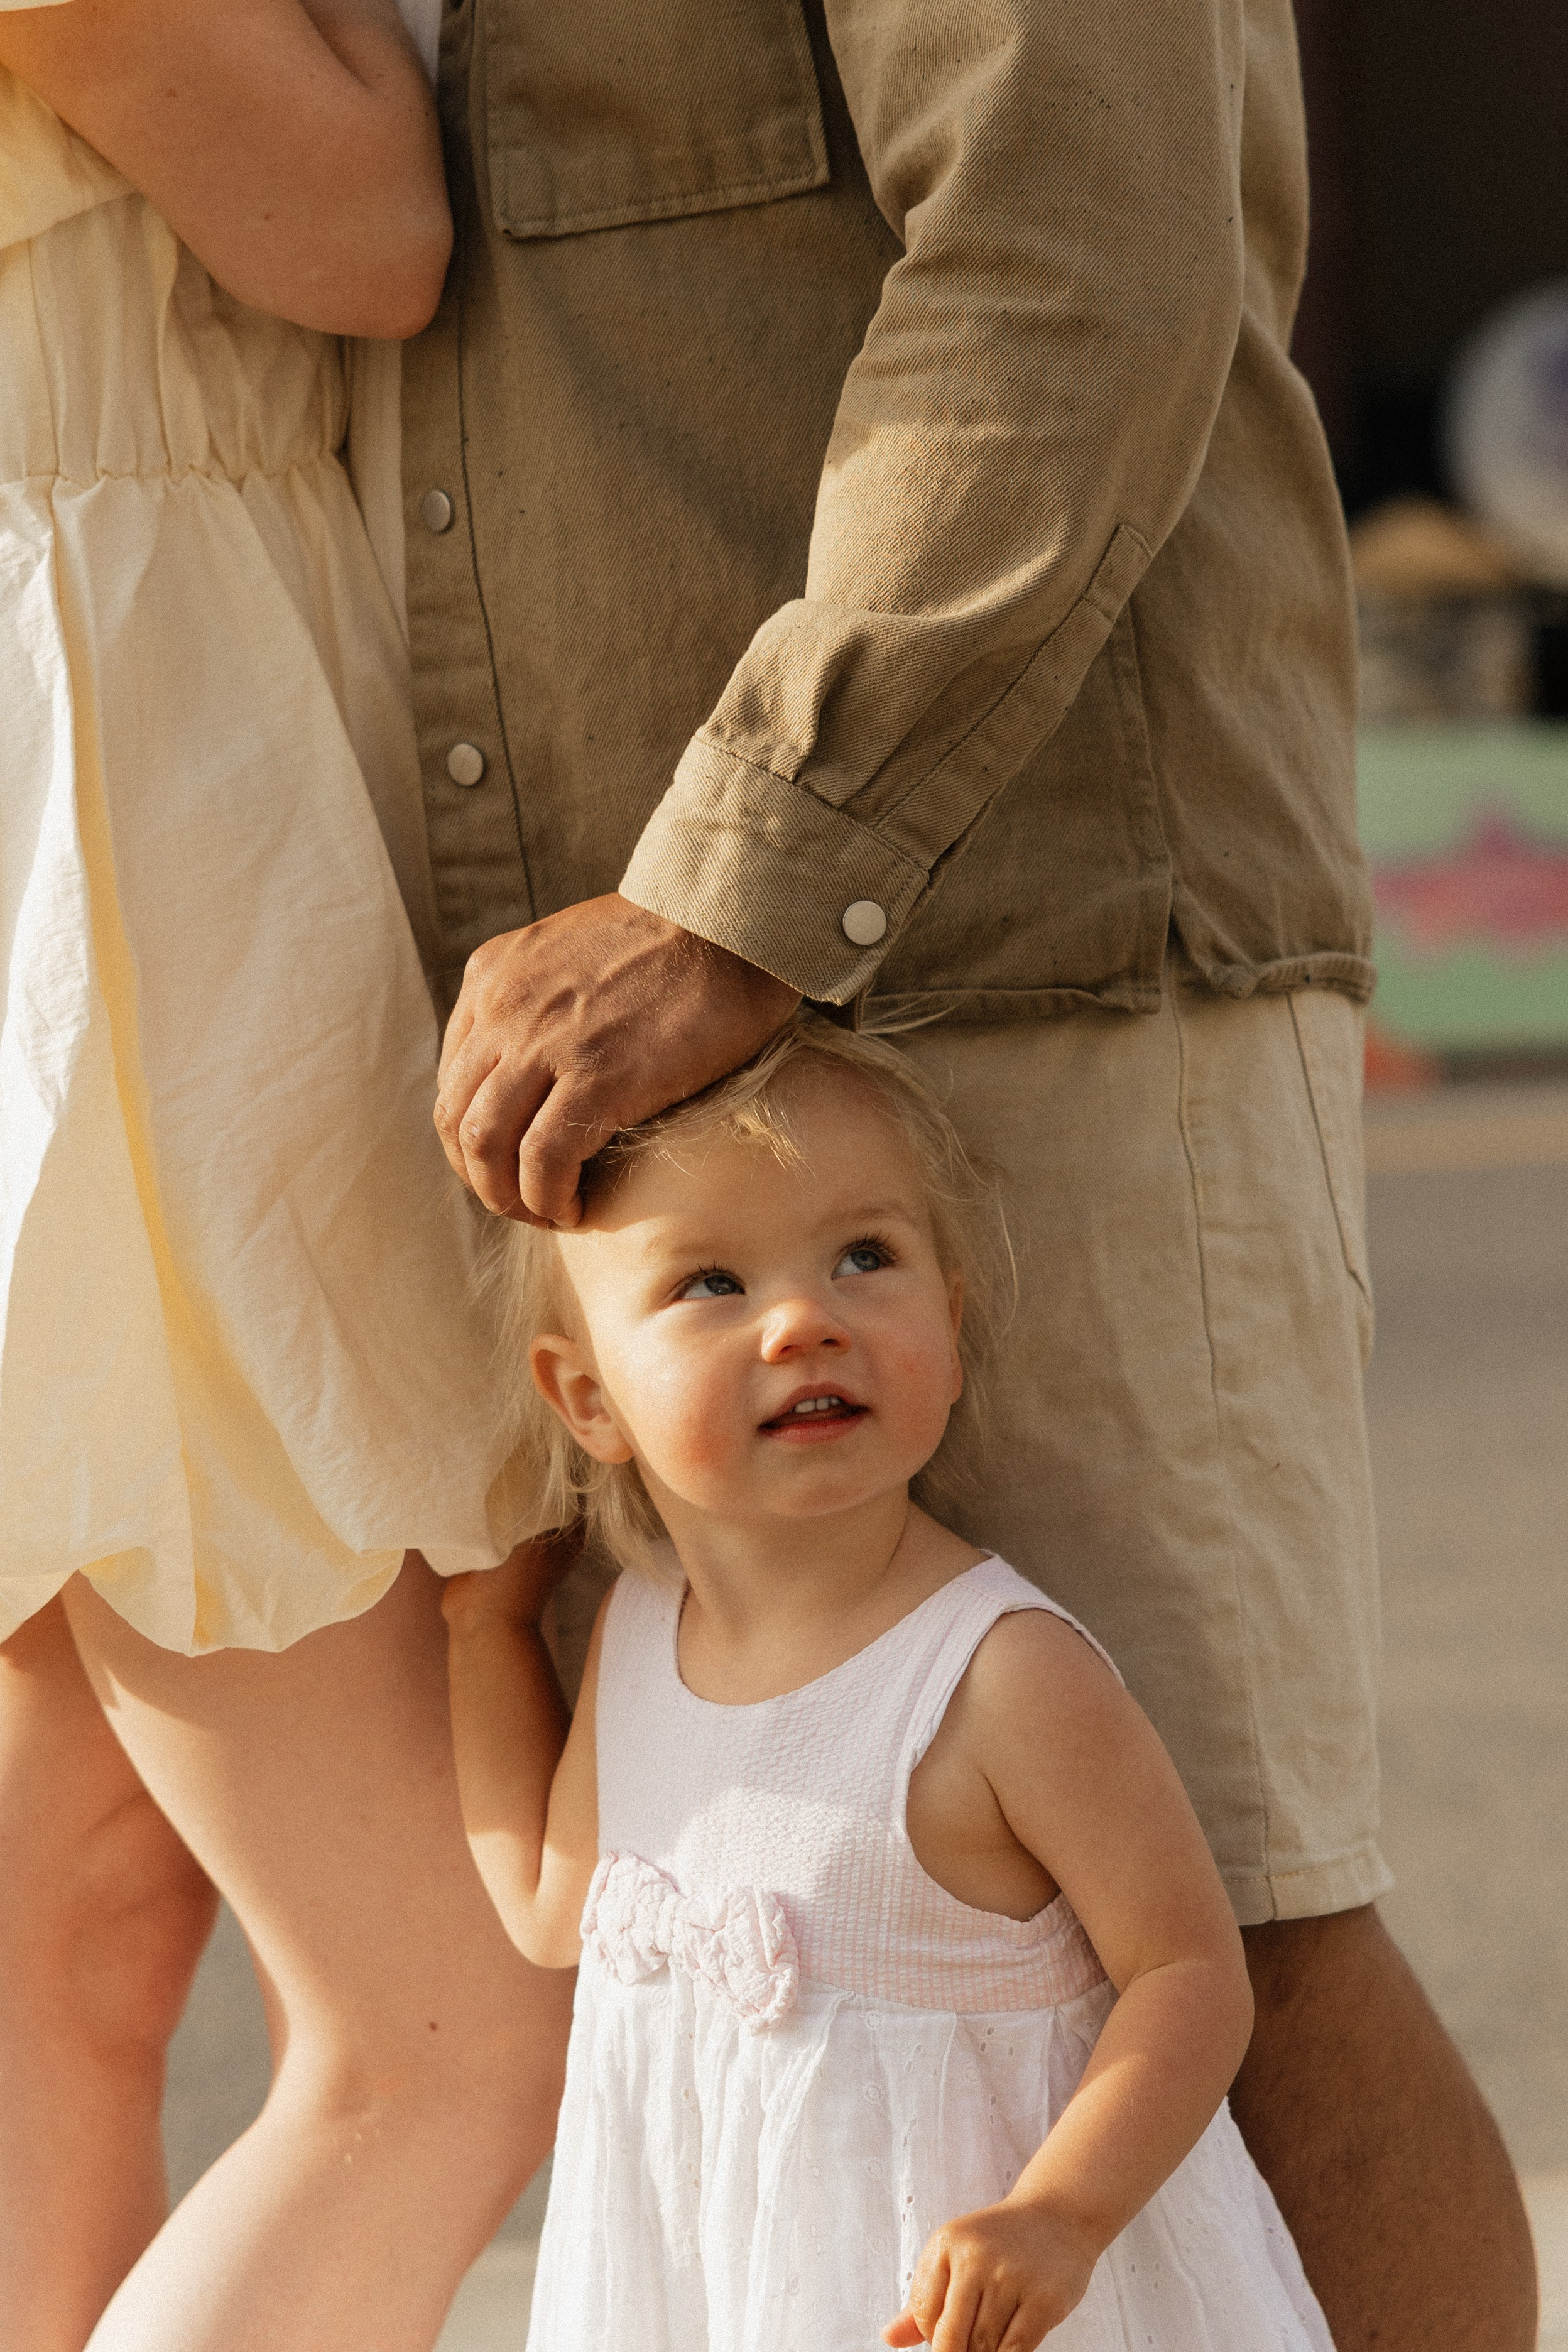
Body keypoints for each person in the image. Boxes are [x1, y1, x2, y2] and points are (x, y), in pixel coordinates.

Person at [408, 1, 1535, 2344]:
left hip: (1013, 936)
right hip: (617, 1021)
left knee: (1245, 1918)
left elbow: (1073, 241)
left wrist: (741, 883)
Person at [0, 6, 572, 2347]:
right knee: (445, 2038)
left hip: (132, 732)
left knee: (72, 1946)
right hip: (151, 796)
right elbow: (365, 228)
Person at [443, 1016, 1336, 2352]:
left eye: (867, 1258)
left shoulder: (993, 1677)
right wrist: (481, 1636)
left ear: (953, 1316)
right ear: (587, 1399)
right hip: (716, 2298)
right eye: (710, 1285)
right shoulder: (635, 1638)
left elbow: (1188, 1974)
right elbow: (546, 1908)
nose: (806, 1321)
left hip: (964, 2306)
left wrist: (1063, 2216)